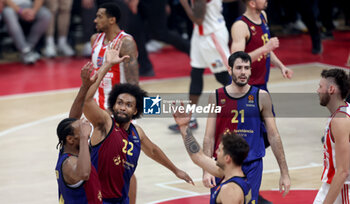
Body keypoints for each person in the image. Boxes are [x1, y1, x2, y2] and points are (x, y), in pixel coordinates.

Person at [83, 42, 194, 203]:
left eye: (128, 105)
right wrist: (107, 65)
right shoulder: (105, 124)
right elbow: (86, 100)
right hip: (98, 199)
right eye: (119, 103)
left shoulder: (137, 133)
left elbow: (153, 151)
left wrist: (176, 170)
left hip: (121, 200)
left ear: (135, 111)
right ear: (113, 105)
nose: (122, 108)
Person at [202, 51, 290, 203]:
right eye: (239, 68)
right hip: (223, 165)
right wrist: (206, 170)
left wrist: (284, 172)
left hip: (252, 165)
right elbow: (209, 137)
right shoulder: (216, 96)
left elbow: (274, 135)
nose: (243, 72)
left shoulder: (261, 96)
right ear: (229, 70)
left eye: (246, 68)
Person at [168, 0, 232, 132]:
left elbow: (198, 20)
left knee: (223, 76)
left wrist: (184, 3)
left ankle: (249, 108)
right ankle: (191, 118)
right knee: (195, 74)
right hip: (200, 35)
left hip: (212, 35)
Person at [173, 109, 252, 204]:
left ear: (227, 158)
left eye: (219, 150)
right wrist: (184, 127)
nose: (216, 152)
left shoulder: (230, 190)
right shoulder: (231, 174)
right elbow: (198, 156)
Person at [55, 62, 103, 203]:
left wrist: (85, 86)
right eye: (81, 127)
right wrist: (84, 136)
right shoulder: (70, 163)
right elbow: (84, 173)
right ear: (71, 139)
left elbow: (73, 116)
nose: (85, 124)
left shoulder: (68, 148)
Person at [91, 2, 139, 110]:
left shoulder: (126, 42)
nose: (95, 20)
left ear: (112, 20)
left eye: (99, 17)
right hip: (96, 103)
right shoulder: (95, 39)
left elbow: (133, 82)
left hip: (117, 106)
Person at [314, 68, 350, 204]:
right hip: (335, 185)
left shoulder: (340, 120)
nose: (317, 90)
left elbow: (343, 171)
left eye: (320, 86)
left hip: (342, 188)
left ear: (331, 89)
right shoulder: (344, 110)